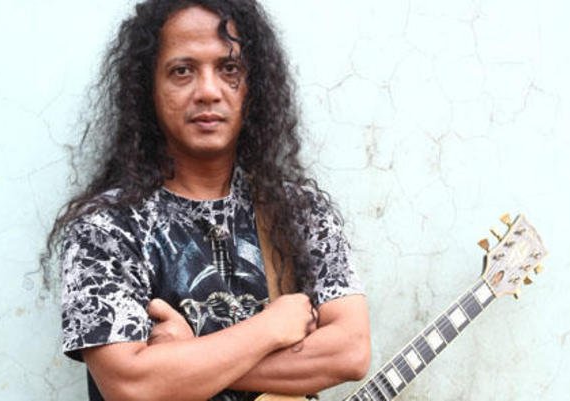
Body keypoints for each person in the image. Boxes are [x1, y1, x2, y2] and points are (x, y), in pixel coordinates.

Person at [45, 1, 371, 400]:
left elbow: (350, 352)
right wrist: (271, 328)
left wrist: (185, 361)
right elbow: (131, 384)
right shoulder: (105, 229)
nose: (208, 91)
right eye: (182, 71)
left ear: (253, 86)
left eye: (229, 69)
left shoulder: (300, 213)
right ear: (149, 89)